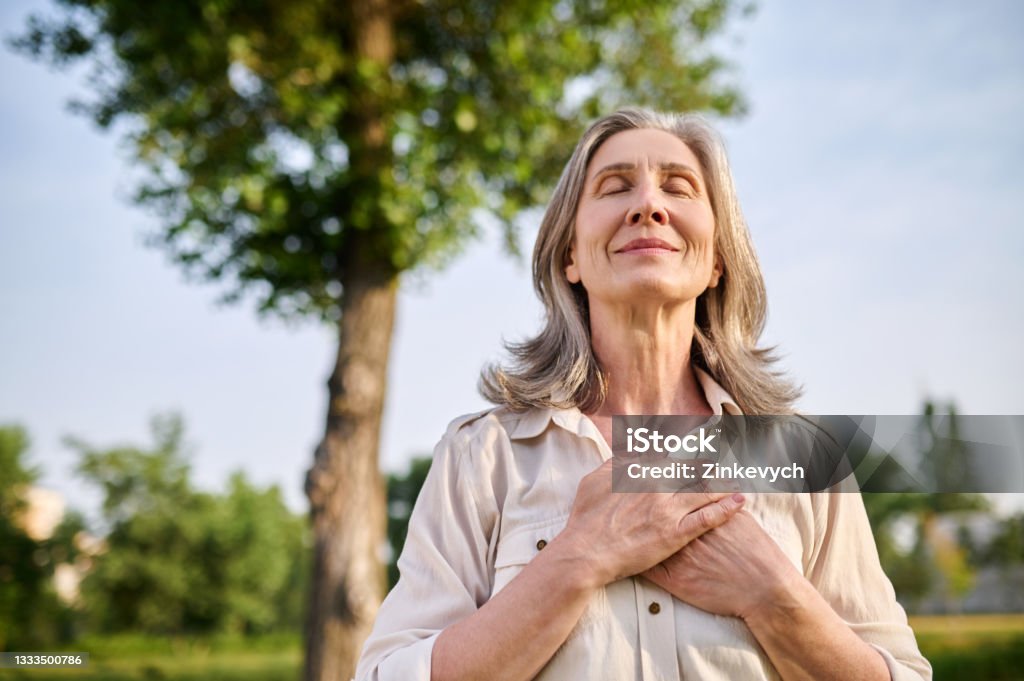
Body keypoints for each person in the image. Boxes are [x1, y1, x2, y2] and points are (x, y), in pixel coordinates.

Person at [355, 109, 932, 681]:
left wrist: (773, 595)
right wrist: (578, 558)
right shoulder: (482, 456)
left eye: (678, 188)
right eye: (615, 186)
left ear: (717, 262)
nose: (648, 206)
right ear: (571, 257)